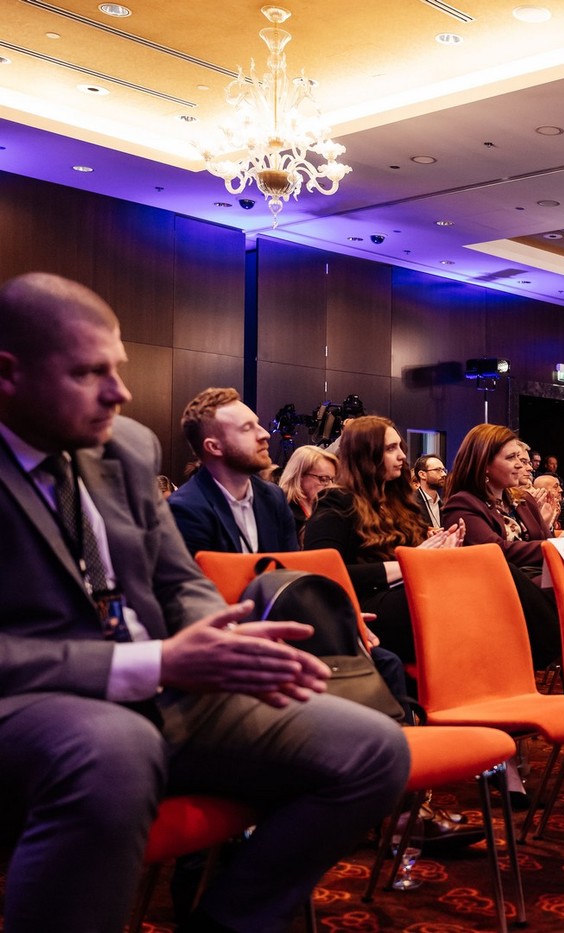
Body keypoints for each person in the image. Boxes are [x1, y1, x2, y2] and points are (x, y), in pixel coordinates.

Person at [0, 272, 409, 933]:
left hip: (165, 691)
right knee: (114, 749)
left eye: (118, 368)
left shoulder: (125, 446)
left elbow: (177, 580)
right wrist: (156, 662)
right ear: (8, 373)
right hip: (33, 704)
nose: (119, 392)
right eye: (88, 373)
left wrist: (219, 637)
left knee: (374, 748)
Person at [303, 416, 463, 662]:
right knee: (445, 597)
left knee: (487, 578)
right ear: (365, 455)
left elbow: (421, 557)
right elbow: (324, 573)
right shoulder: (337, 502)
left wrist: (442, 554)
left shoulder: (401, 502)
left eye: (400, 447)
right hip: (366, 605)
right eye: (390, 448)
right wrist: (411, 562)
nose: (402, 455)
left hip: (408, 593)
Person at [441, 423, 564, 667]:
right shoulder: (463, 504)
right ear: (484, 464)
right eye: (510, 458)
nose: (520, 465)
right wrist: (554, 545)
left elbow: (543, 539)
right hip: (499, 590)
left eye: (520, 457)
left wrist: (559, 541)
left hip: (538, 577)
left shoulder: (522, 500)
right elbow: (495, 552)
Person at [167, 387, 299, 556]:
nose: (265, 434)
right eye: (247, 428)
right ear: (214, 447)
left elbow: (291, 567)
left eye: (257, 424)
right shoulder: (185, 509)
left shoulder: (274, 497)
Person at [278, 445, 338, 541]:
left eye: (332, 480)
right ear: (299, 476)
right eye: (323, 479)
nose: (330, 486)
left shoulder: (331, 511)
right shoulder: (281, 511)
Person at [411, 454, 448, 528]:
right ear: (422, 474)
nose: (444, 474)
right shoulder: (411, 502)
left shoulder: (444, 504)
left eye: (443, 470)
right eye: (438, 470)